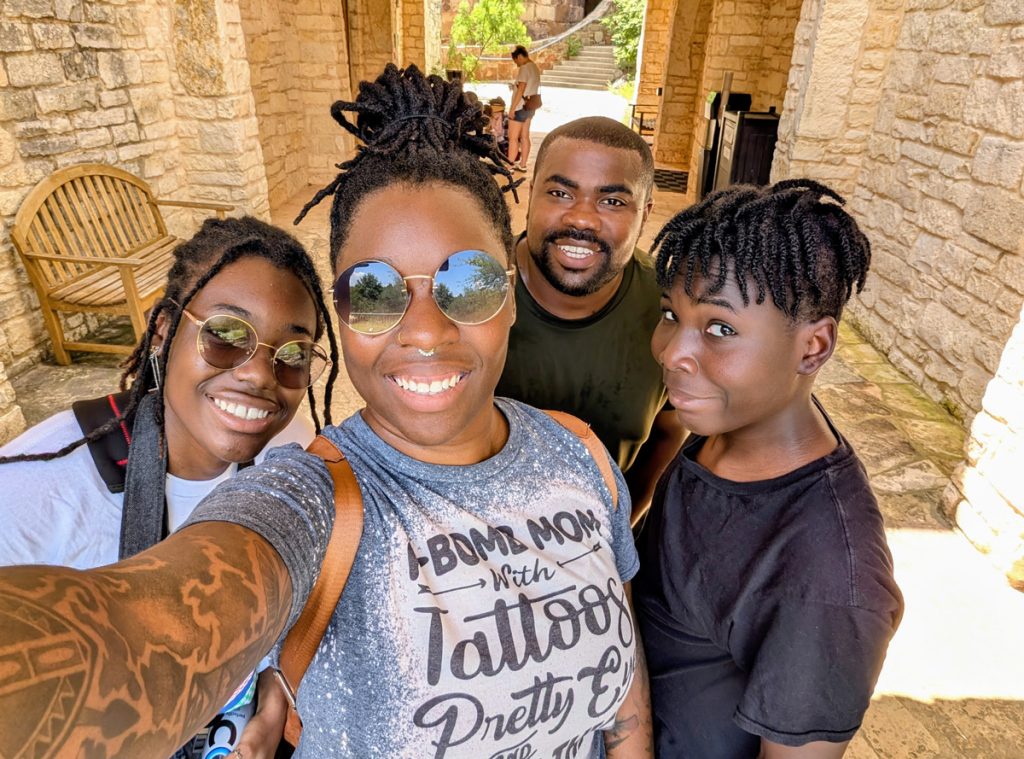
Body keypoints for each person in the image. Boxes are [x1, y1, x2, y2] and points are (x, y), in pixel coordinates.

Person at [0, 64, 653, 759]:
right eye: (374, 291)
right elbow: (140, 635)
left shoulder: (581, 456)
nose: (424, 330)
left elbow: (625, 710)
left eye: (468, 281)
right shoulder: (309, 497)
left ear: (512, 295)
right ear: (341, 316)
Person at [0, 215, 339, 758]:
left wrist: (274, 705)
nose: (259, 375)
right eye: (227, 336)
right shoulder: (33, 493)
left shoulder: (288, 443)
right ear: (164, 331)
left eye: (292, 355)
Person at [632, 180, 904, 758]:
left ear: (813, 347)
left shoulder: (829, 578)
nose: (671, 352)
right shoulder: (721, 430)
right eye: (669, 315)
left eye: (720, 328)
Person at [496, 117, 687, 522]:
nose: (581, 219)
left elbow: (671, 431)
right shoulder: (473, 292)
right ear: (531, 194)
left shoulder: (672, 311)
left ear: (645, 212)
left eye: (612, 201)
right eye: (561, 192)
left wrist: (616, 536)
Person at [507, 44, 541, 172]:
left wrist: (512, 108)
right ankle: (523, 164)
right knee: (525, 136)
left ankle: (510, 165)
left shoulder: (524, 68)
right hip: (530, 107)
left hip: (520, 107)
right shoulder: (534, 67)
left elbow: (521, 89)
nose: (516, 64)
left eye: (516, 60)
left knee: (513, 138)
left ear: (520, 56)